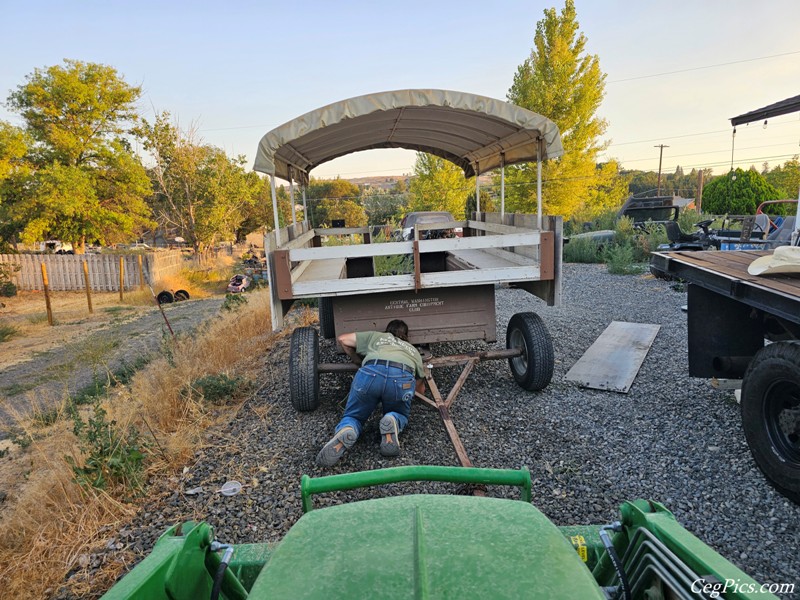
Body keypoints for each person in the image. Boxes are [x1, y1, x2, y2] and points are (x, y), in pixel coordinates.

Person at [316, 319, 425, 467]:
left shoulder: (376, 337)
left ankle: (348, 429)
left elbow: (343, 339)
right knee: (400, 413)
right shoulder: (413, 350)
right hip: (401, 376)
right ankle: (392, 419)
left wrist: (357, 360)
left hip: (371, 372)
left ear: (387, 331)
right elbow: (420, 388)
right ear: (406, 335)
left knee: (353, 415)